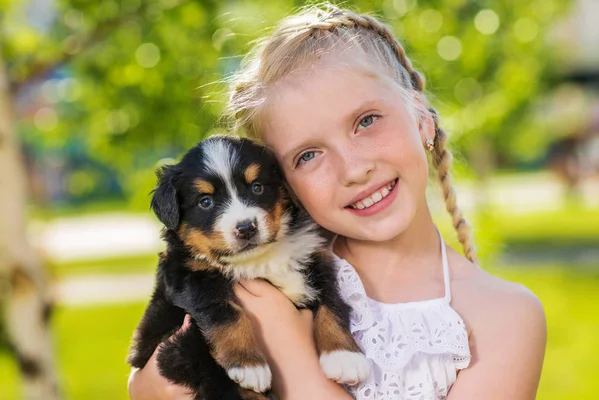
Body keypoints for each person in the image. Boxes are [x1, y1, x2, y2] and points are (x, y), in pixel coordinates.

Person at [128, 4, 546, 399]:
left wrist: (289, 350)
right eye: (308, 156)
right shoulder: (256, 264)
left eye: (366, 121)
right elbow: (148, 378)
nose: (353, 169)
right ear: (283, 184)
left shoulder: (506, 318)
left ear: (422, 117)